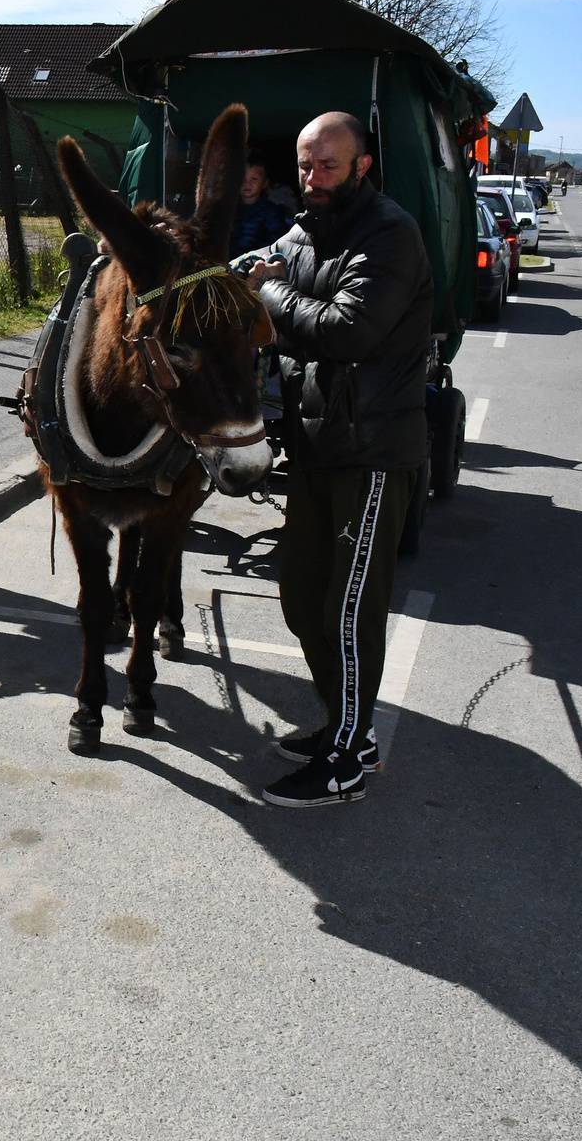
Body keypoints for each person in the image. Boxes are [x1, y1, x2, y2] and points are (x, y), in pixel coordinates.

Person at [243, 112, 432, 809]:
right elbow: (251, 266)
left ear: (363, 165)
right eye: (304, 165)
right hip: (317, 445)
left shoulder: (388, 233)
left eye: (327, 165)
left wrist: (268, 292)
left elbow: (348, 332)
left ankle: (351, 756)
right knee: (301, 598)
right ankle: (338, 724)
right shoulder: (303, 230)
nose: (312, 178)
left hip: (373, 452)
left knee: (349, 613)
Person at [231, 153, 295, 255]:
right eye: (242, 178)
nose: (247, 183)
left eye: (254, 179)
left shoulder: (271, 212)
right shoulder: (229, 210)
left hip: (258, 261)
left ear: (264, 183)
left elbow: (276, 241)